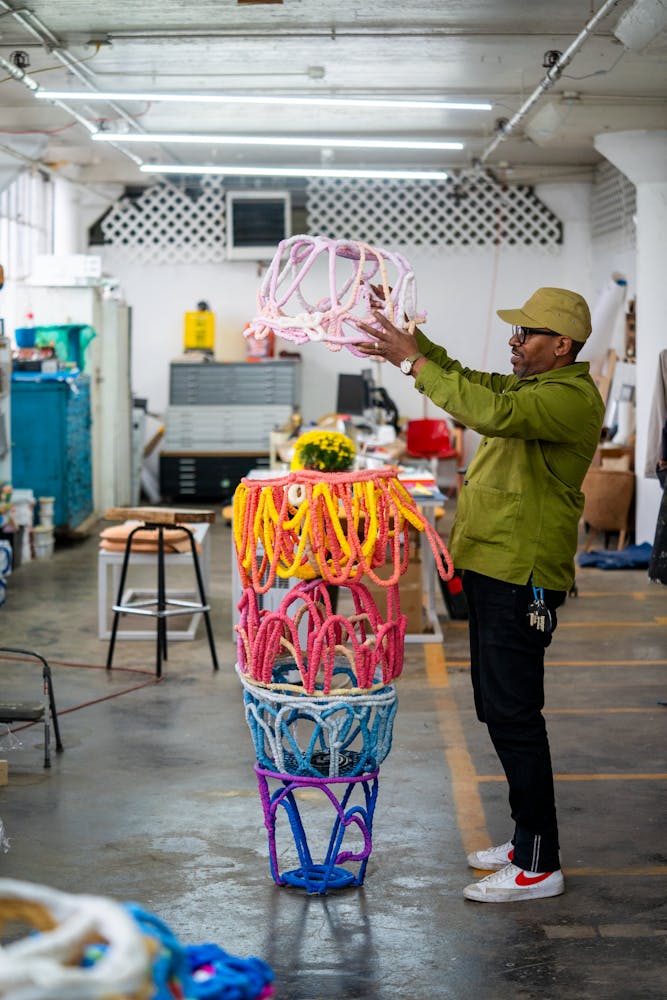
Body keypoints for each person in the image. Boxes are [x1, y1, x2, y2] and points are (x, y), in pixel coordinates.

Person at [357, 286, 605, 902]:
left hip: (524, 575)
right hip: (496, 568)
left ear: (562, 347)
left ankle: (538, 864)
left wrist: (414, 363)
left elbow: (485, 410)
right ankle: (526, 840)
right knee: (497, 708)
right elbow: (469, 382)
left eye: (527, 334)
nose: (515, 341)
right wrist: (414, 346)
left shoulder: (568, 399)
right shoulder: (532, 389)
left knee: (516, 715)